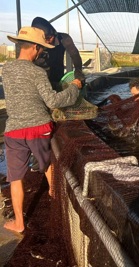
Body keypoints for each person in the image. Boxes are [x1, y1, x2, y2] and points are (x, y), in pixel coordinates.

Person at [2, 26, 83, 233]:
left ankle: (19, 223)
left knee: (15, 178)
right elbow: (52, 100)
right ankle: (58, 208)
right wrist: (74, 87)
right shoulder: (37, 72)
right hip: (39, 128)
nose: (41, 53)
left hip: (14, 131)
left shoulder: (6, 70)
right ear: (36, 47)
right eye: (41, 49)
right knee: (48, 166)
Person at [31, 16, 85, 91]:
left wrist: (78, 72)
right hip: (40, 81)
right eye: (44, 39)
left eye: (50, 37)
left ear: (54, 34)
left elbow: (75, 55)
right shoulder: (32, 45)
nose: (48, 42)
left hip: (59, 78)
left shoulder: (64, 39)